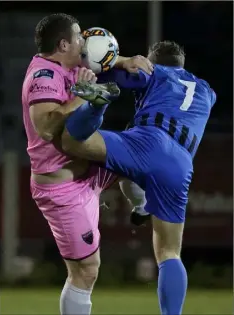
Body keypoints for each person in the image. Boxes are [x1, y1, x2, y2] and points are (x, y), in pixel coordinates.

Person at [60, 40, 217, 315]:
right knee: (169, 252)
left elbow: (112, 71)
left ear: (151, 60)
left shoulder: (152, 71)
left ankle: (96, 108)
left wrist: (116, 60)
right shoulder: (207, 91)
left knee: (74, 143)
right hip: (180, 162)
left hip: (145, 141)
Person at [22, 13, 152, 315]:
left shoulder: (70, 64)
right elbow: (46, 127)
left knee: (134, 155)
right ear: (64, 43)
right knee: (86, 271)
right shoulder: (43, 77)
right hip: (62, 190)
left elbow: (102, 59)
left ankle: (142, 208)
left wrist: (126, 59)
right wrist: (83, 97)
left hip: (89, 169)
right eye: (79, 37)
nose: (85, 41)